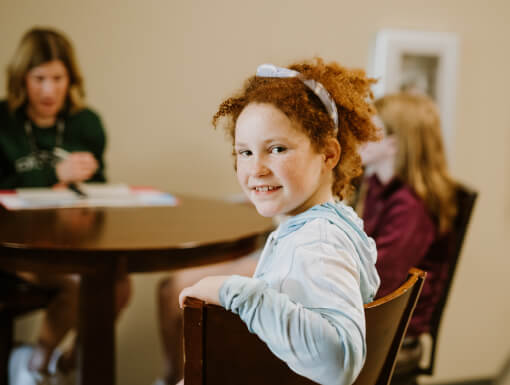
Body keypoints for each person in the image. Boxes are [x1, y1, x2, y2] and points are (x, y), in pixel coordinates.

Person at [174, 58, 381, 385]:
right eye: (244, 152)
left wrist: (233, 291)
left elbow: (339, 361)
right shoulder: (331, 223)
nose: (256, 169)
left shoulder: (318, 243)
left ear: (328, 154)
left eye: (277, 149)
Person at [0, 27, 132, 385]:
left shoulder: (85, 123)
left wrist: (89, 180)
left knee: (119, 285)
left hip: (74, 237)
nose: (49, 90)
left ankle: (69, 364)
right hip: (16, 247)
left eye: (58, 78)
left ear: (70, 78)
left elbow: (99, 190)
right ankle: (36, 366)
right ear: (21, 78)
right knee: (81, 282)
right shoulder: (4, 122)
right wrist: (52, 172)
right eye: (39, 78)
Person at [357, 92, 458, 376]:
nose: (358, 135)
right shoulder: (376, 184)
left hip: (395, 334)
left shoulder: (411, 208)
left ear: (393, 143)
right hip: (378, 319)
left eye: (369, 129)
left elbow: (380, 281)